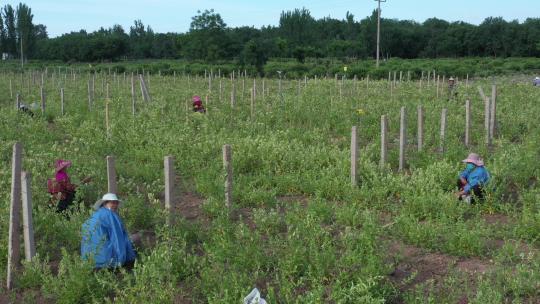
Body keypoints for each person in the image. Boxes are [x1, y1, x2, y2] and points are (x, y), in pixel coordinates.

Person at [81, 193, 136, 270]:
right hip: (106, 259)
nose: (115, 205)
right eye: (112, 203)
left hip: (89, 258)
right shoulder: (111, 215)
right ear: (105, 203)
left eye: (116, 203)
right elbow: (117, 238)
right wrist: (121, 261)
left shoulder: (95, 215)